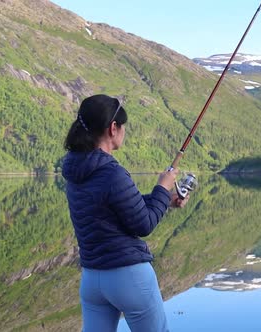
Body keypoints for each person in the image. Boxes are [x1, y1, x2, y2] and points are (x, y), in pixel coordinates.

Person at [62, 94, 188, 332]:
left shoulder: (75, 171)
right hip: (128, 277)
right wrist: (163, 186)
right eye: (123, 127)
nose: (124, 132)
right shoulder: (112, 172)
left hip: (91, 279)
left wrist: (163, 200)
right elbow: (144, 224)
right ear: (113, 128)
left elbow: (116, 207)